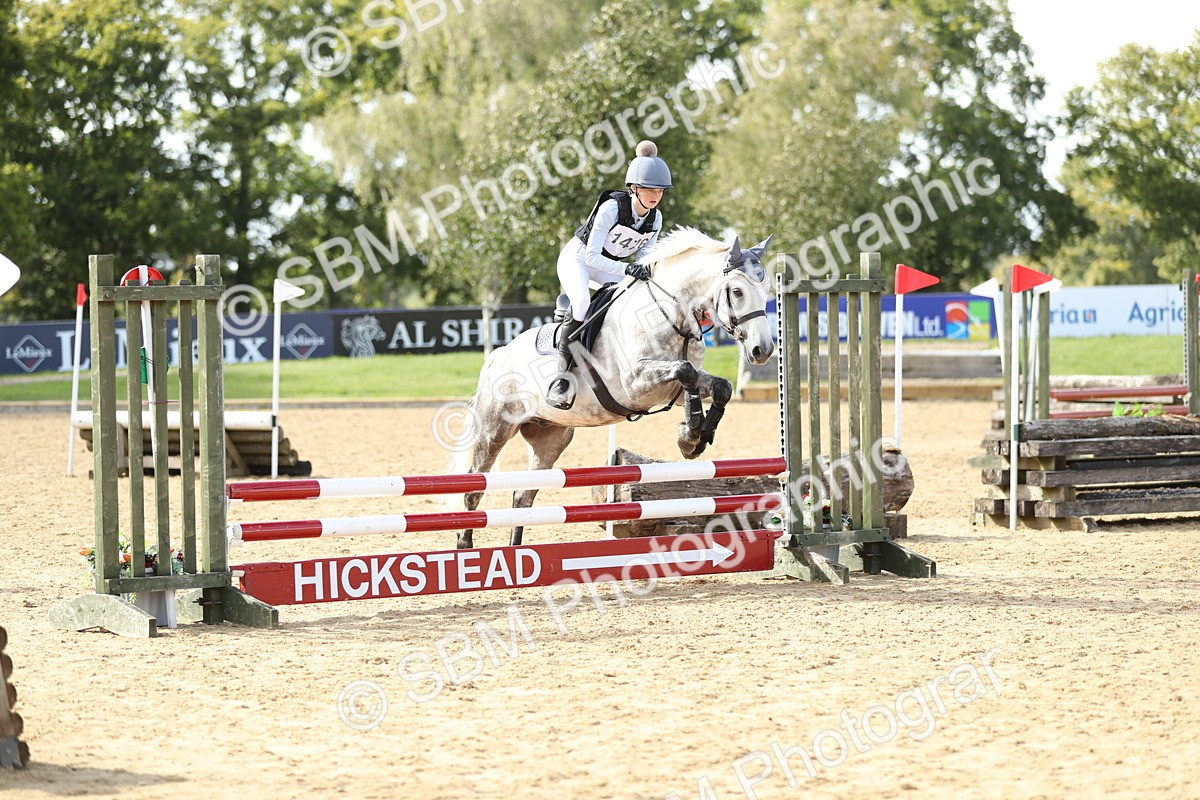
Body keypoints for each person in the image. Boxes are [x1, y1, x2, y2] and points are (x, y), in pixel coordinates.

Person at [546, 139, 672, 409]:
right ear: (634, 188)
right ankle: (561, 378)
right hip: (578, 259)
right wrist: (628, 269)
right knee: (582, 302)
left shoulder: (655, 219)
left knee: (633, 299)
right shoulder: (612, 209)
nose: (655, 195)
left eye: (660, 190)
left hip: (608, 266)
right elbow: (591, 257)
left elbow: (643, 258)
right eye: (649, 189)